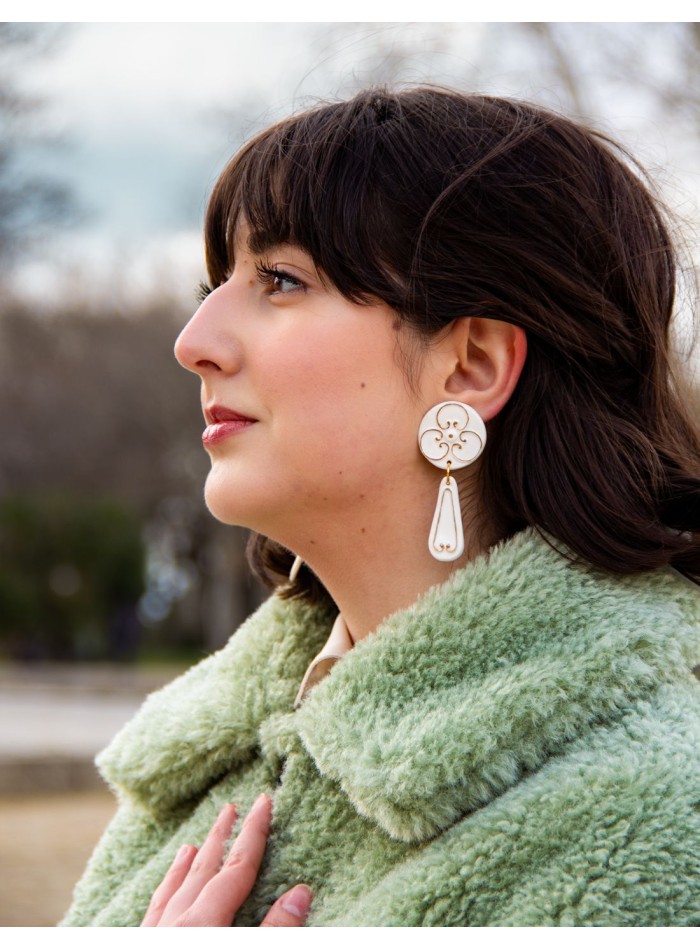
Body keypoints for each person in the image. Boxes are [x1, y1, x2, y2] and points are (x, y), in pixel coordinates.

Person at [61, 86, 700, 928]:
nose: (194, 343)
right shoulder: (217, 762)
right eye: (215, 285)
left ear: (470, 366)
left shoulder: (655, 821)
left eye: (279, 280)